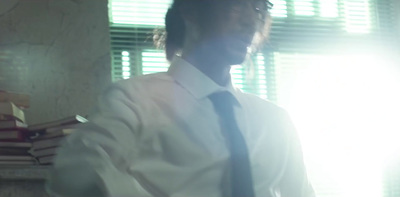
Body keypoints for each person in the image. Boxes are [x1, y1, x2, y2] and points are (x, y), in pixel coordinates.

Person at [47, 0, 315, 196]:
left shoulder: (275, 120)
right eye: (236, 4)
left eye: (259, 8)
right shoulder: (134, 100)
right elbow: (76, 175)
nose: (251, 20)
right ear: (190, 9)